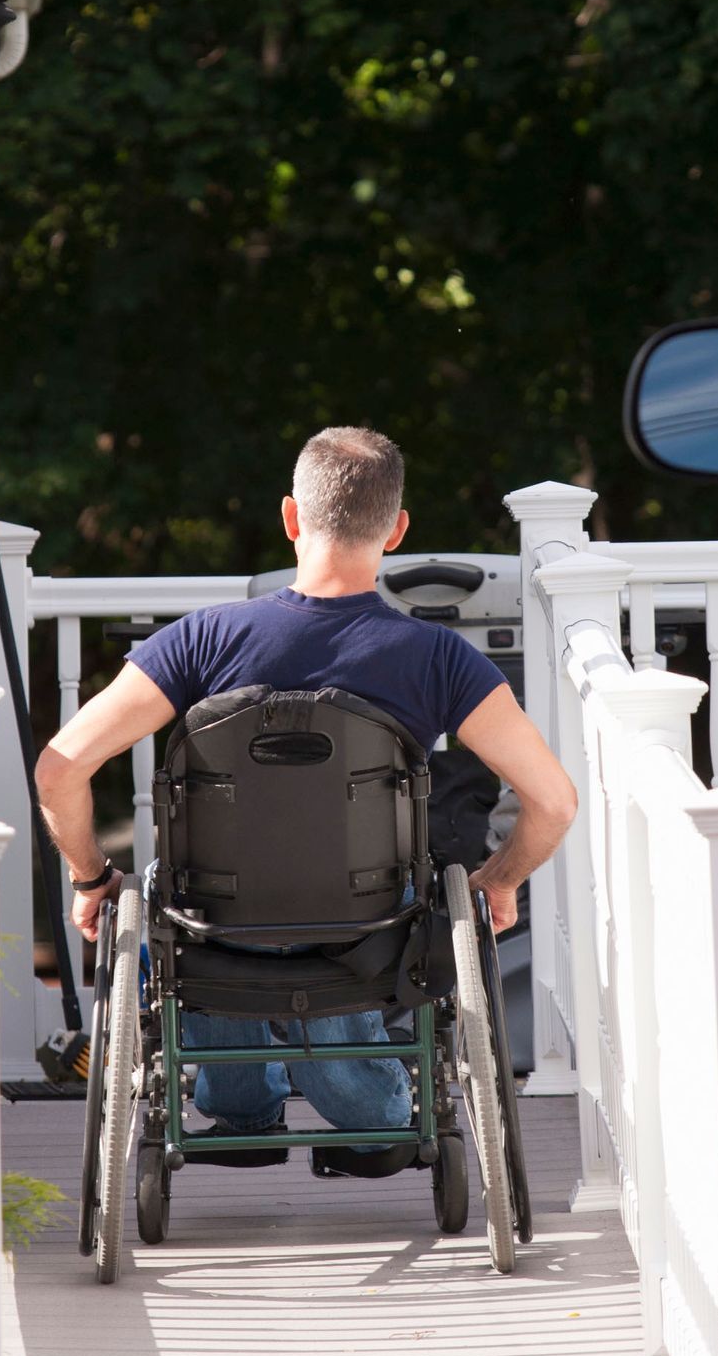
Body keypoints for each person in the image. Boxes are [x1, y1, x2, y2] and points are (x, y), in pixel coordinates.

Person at [34, 426, 577, 1169]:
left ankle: (241, 1107)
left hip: (216, 920)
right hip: (369, 919)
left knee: (172, 891)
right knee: (375, 906)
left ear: (291, 518)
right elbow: (554, 801)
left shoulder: (198, 643)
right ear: (396, 531)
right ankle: (376, 1117)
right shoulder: (439, 659)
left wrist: (93, 877)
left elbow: (58, 769)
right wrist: (500, 880)